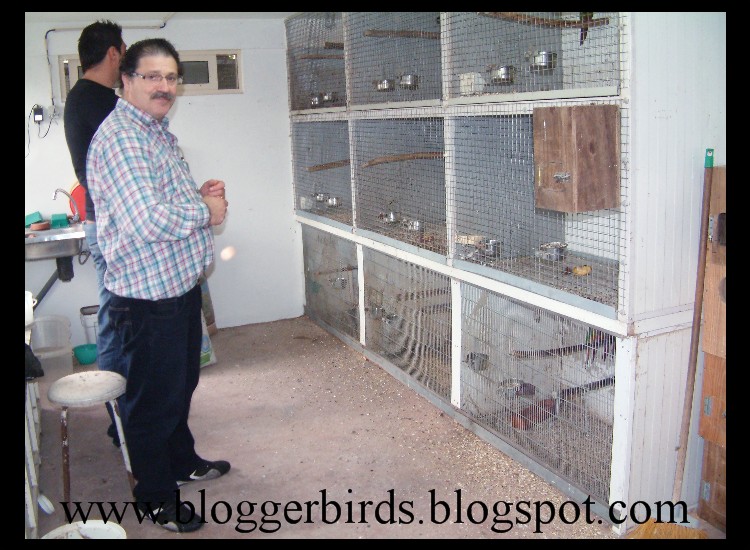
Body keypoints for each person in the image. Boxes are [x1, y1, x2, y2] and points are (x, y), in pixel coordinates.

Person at [86, 37, 229, 533]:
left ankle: (181, 461)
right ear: (126, 79)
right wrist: (205, 211)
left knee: (180, 385)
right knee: (152, 402)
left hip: (175, 286)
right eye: (152, 76)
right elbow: (145, 219)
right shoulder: (124, 139)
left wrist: (195, 196)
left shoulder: (154, 132)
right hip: (147, 299)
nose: (164, 86)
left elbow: (158, 201)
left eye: (171, 77)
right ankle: (154, 498)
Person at [63, 19, 127, 447]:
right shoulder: (100, 102)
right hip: (112, 223)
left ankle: (121, 411)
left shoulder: (80, 98)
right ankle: (120, 414)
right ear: (113, 53)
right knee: (120, 319)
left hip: (100, 219)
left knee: (116, 315)